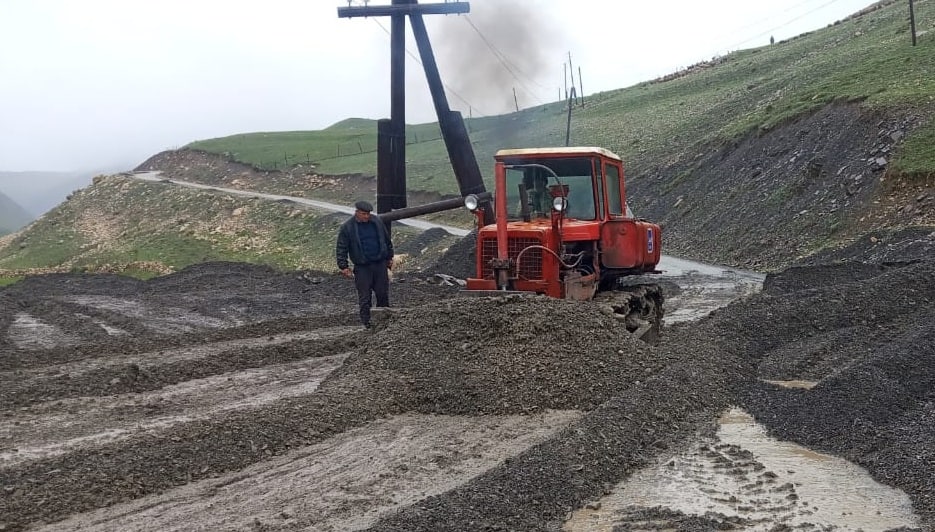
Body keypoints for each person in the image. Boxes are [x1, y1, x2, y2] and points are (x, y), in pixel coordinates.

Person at [335, 200, 394, 327]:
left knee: (382, 294)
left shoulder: (377, 222)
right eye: (363, 214)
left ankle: (384, 321)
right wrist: (343, 266)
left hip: (379, 265)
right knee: (365, 297)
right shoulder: (348, 227)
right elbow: (341, 247)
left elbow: (386, 240)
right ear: (356, 212)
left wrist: (389, 257)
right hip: (362, 267)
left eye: (368, 214)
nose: (366, 216)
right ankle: (367, 323)